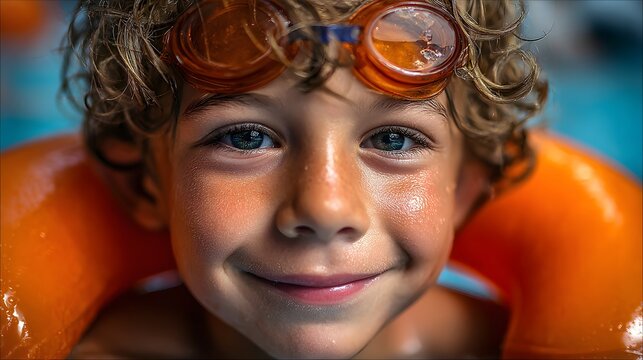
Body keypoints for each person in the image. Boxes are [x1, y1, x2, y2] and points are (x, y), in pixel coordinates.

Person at [61, 0, 547, 358]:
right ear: (145, 182)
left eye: (394, 140)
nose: (325, 208)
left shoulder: (510, 348)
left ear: (464, 187)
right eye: (247, 137)